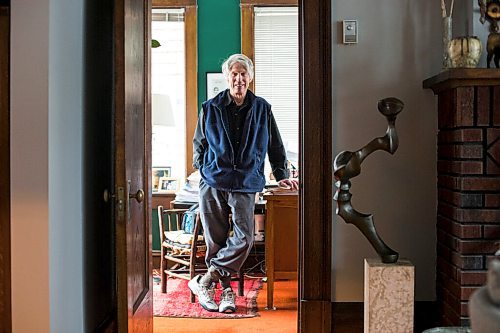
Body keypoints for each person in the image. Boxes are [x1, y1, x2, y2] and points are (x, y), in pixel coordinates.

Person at [189, 53, 298, 313]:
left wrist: (282, 173)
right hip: (213, 181)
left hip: (246, 182)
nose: (239, 78)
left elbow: (275, 145)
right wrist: (203, 167)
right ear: (227, 77)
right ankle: (226, 293)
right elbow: (199, 145)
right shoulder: (210, 107)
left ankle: (204, 281)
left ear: (250, 77)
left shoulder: (262, 108)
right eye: (234, 74)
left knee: (244, 238)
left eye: (243, 73)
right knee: (215, 241)